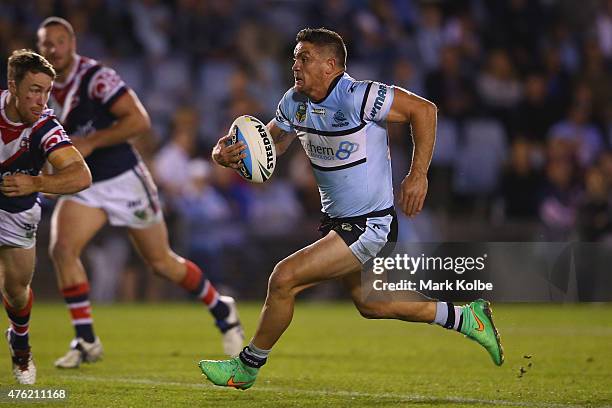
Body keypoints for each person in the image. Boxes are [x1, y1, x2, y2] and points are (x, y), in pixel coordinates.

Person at [199, 28, 504, 390]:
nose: (295, 64)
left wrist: (417, 175)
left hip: (369, 225)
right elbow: (270, 146)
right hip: (339, 223)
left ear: (330, 65)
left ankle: (247, 367)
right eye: (295, 57)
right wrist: (226, 154)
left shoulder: (357, 96)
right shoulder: (294, 102)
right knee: (374, 304)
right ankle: (467, 317)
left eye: (305, 58)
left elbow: (424, 110)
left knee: (283, 279)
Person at [36, 17, 244, 369]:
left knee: (161, 262)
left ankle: (220, 306)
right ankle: (86, 339)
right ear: (39, 48)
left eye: (59, 41)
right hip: (84, 182)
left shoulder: (96, 78)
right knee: (62, 248)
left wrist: (91, 141)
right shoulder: (41, 86)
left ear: (73, 44)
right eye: (46, 43)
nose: (53, 49)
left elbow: (139, 121)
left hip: (123, 177)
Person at [0, 49, 92, 384]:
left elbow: (81, 175)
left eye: (47, 91)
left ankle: (19, 343)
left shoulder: (45, 128)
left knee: (17, 290)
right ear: (13, 86)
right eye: (34, 90)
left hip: (17, 212)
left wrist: (37, 182)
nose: (41, 100)